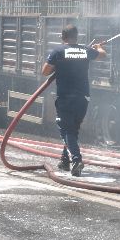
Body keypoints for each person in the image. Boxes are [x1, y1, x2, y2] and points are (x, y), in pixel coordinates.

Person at [41, 24, 106, 177]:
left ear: (63, 37)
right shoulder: (85, 50)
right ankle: (65, 160)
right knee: (72, 130)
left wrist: (58, 66)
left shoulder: (58, 51)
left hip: (66, 97)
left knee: (66, 129)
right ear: (76, 37)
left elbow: (44, 72)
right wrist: (98, 47)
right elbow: (102, 55)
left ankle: (76, 160)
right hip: (83, 98)